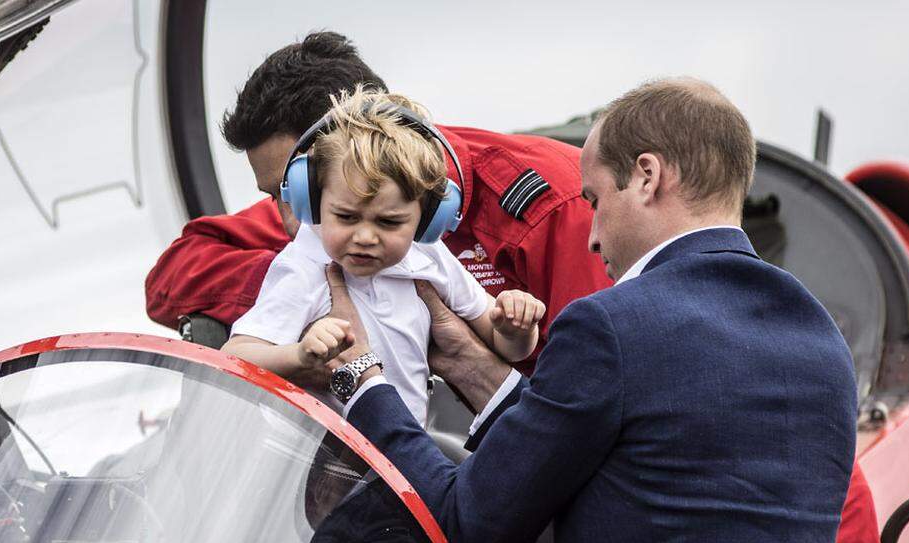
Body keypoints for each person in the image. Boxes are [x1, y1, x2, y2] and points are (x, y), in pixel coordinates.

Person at [325, 78, 909, 543]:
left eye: (594, 199)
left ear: (647, 176)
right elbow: (684, 528)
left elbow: (467, 519)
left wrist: (362, 381)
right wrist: (467, 358)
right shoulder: (815, 340)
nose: (592, 231)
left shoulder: (611, 325)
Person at [144, 31, 609, 372]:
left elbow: (592, 388)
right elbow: (172, 276)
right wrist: (313, 288)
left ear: (360, 139)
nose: (291, 222)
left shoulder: (556, 203)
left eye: (293, 188)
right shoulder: (322, 221)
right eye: (283, 195)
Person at [223, 88, 545, 425]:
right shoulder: (305, 267)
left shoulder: (429, 256)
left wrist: (516, 328)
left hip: (402, 454)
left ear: (430, 220)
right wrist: (299, 356)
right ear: (313, 201)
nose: (364, 237)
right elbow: (236, 357)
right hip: (327, 459)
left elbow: (507, 347)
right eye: (346, 217)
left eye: (389, 222)